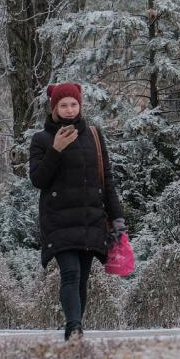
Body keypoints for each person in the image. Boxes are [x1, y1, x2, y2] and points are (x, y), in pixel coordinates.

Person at [28, 83, 126, 341]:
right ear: (54, 108)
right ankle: (74, 327)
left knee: (82, 278)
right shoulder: (41, 139)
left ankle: (76, 330)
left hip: (89, 218)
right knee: (69, 272)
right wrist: (56, 150)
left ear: (80, 105)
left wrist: (117, 218)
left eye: (73, 104)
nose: (69, 110)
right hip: (58, 220)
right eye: (63, 105)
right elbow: (38, 179)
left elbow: (106, 180)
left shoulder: (93, 135)